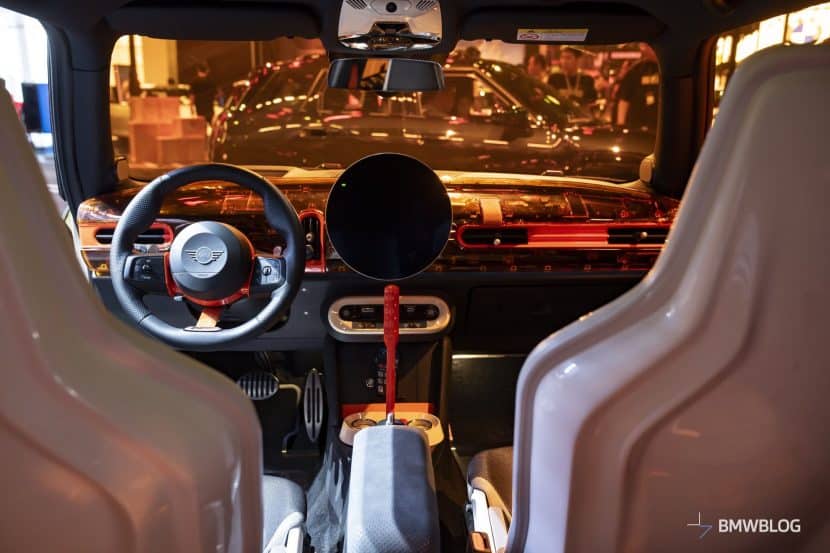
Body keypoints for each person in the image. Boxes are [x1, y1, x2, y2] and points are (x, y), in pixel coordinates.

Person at [615, 44, 660, 130]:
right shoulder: (636, 70)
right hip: (637, 125)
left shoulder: (668, 68)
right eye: (645, 46)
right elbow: (624, 100)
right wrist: (621, 125)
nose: (645, 49)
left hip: (660, 124)